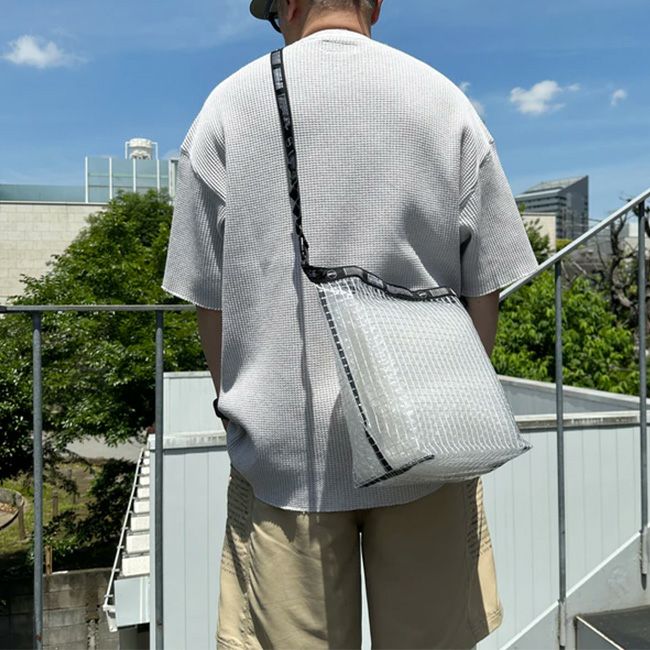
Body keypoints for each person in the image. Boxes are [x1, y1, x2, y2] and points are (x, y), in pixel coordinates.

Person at [161, 0, 539, 647]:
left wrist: (237, 408)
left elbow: (209, 296)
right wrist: (453, 406)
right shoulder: (444, 101)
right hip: (428, 440)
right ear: (376, 4)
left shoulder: (228, 107)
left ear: (286, 5)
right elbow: (486, 286)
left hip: (287, 454)